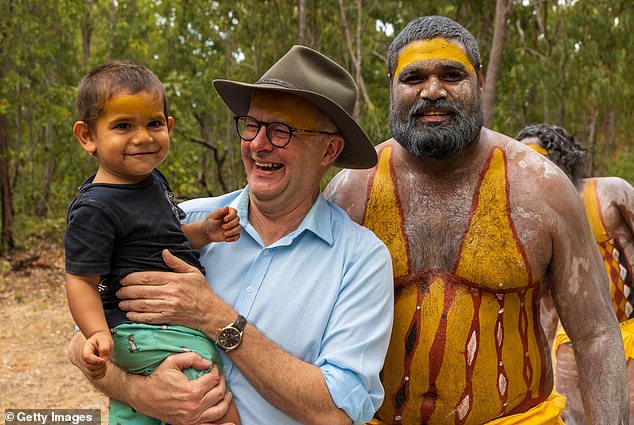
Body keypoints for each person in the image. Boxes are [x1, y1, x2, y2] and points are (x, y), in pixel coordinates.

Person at [324, 16, 628, 425]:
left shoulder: (542, 190)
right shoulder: (349, 192)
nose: (432, 90)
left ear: (480, 81)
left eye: (452, 75)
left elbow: (595, 336)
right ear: (391, 87)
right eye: (414, 77)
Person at [68, 46, 394, 425]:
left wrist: (216, 317)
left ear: (329, 150)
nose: (257, 143)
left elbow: (336, 412)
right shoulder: (184, 220)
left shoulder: (361, 260)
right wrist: (141, 393)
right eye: (252, 125)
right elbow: (82, 342)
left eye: (281, 130)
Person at [65, 60, 242, 424]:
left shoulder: (152, 181)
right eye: (123, 126)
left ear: (169, 126)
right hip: (145, 330)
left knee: (140, 414)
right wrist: (96, 333)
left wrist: (204, 233)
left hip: (155, 331)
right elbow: (81, 280)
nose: (143, 137)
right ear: (88, 137)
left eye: (154, 123)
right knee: (217, 412)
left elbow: (167, 241)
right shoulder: (96, 207)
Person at [517, 123, 634, 424]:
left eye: (538, 156)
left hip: (629, 330)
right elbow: (545, 305)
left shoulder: (609, 192)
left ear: (560, 156)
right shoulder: (535, 221)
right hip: (571, 339)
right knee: (570, 414)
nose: (531, 167)